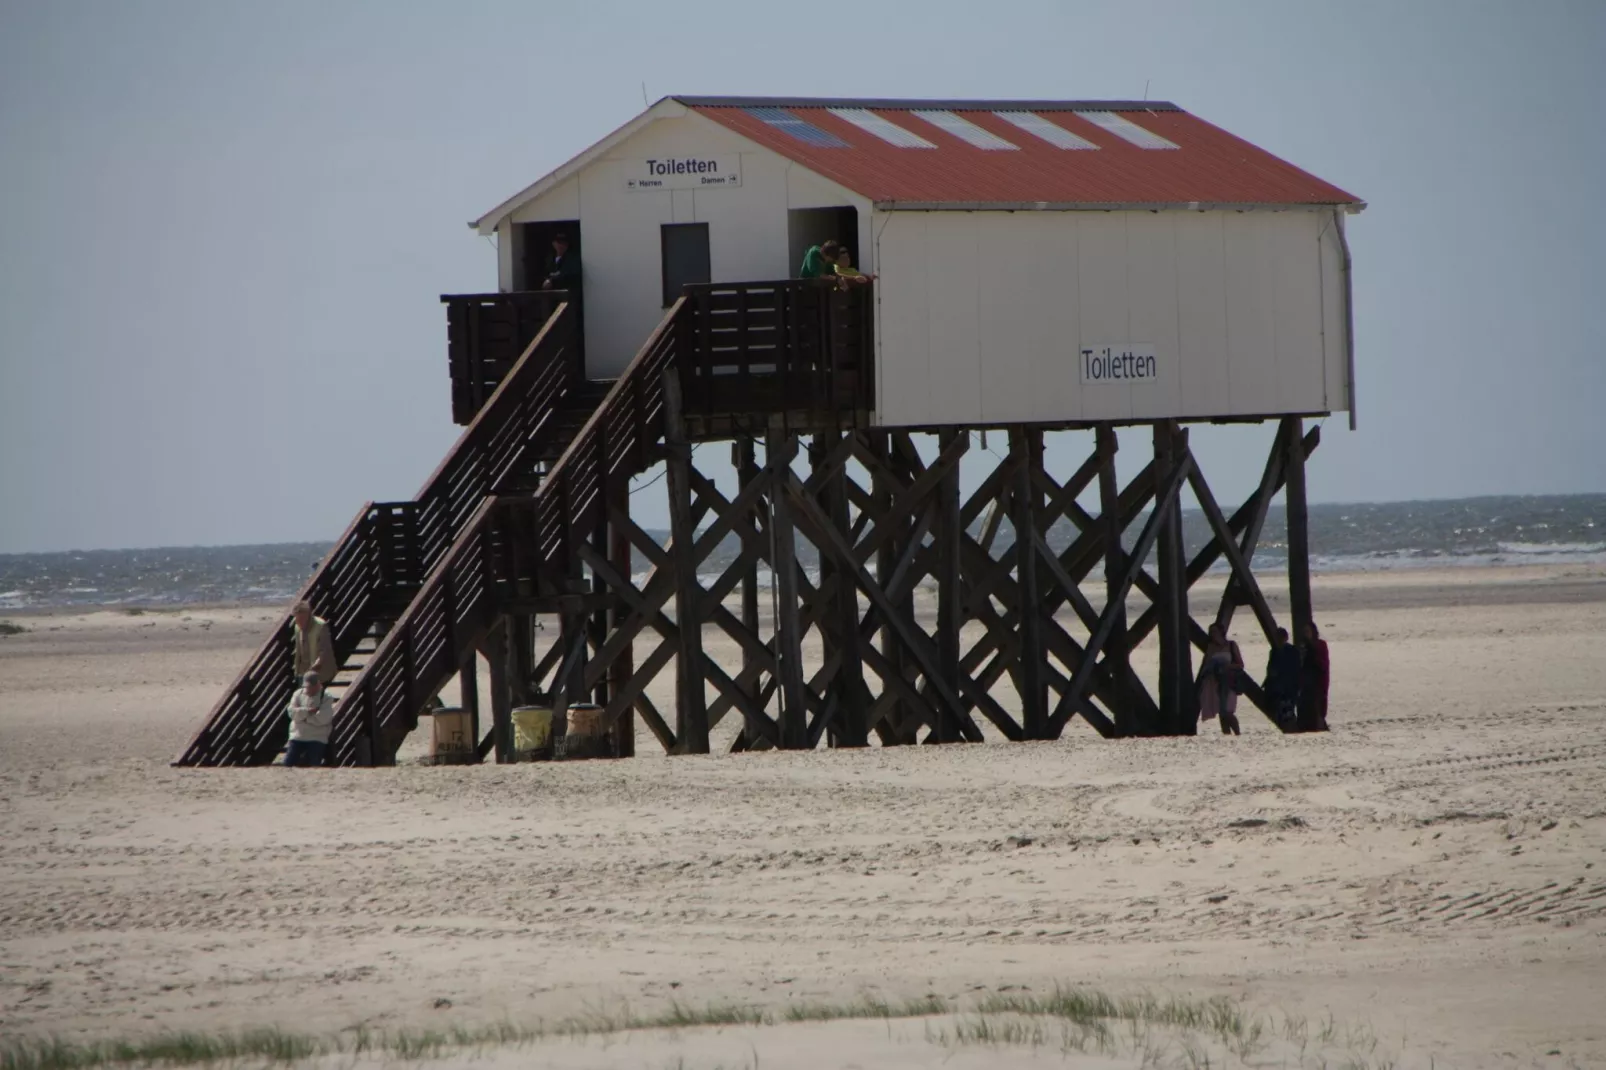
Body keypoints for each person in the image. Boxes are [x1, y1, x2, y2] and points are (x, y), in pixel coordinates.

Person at [1198, 623, 1245, 735]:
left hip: (1229, 681)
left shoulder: (1231, 645)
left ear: (1221, 632)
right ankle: (1227, 736)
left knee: (1227, 711)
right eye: (1210, 632)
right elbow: (1207, 665)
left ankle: (1238, 734)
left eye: (1214, 632)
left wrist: (1227, 666)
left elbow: (1240, 664)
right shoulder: (1211, 647)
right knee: (1221, 712)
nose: (1212, 635)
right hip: (1215, 682)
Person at [285, 671, 334, 767]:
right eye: (306, 687)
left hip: (316, 737)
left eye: (310, 687)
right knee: (288, 763)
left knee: (314, 765)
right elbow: (292, 713)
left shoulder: (326, 696)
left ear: (317, 685)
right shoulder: (298, 694)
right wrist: (308, 711)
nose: (308, 689)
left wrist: (303, 718)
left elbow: (324, 718)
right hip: (297, 735)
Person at [1264, 627, 1303, 731]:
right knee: (1286, 711)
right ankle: (1291, 727)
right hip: (1283, 687)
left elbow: (1295, 669)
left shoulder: (1285, 651)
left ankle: (1290, 727)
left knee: (1285, 711)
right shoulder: (1278, 651)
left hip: (1286, 687)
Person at [291, 600, 337, 686]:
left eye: (302, 619)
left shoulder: (321, 626)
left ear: (308, 615)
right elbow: (298, 650)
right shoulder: (297, 627)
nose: (299, 622)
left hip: (320, 673)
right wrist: (297, 670)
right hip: (303, 671)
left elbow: (324, 652)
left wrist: (314, 668)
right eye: (297, 619)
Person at [1297, 621, 1331, 732]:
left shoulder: (1320, 645)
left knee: (1317, 713)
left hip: (1317, 685)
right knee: (1304, 712)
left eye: (1307, 631)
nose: (1306, 634)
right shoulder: (1303, 647)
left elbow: (1323, 665)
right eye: (1304, 632)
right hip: (1305, 685)